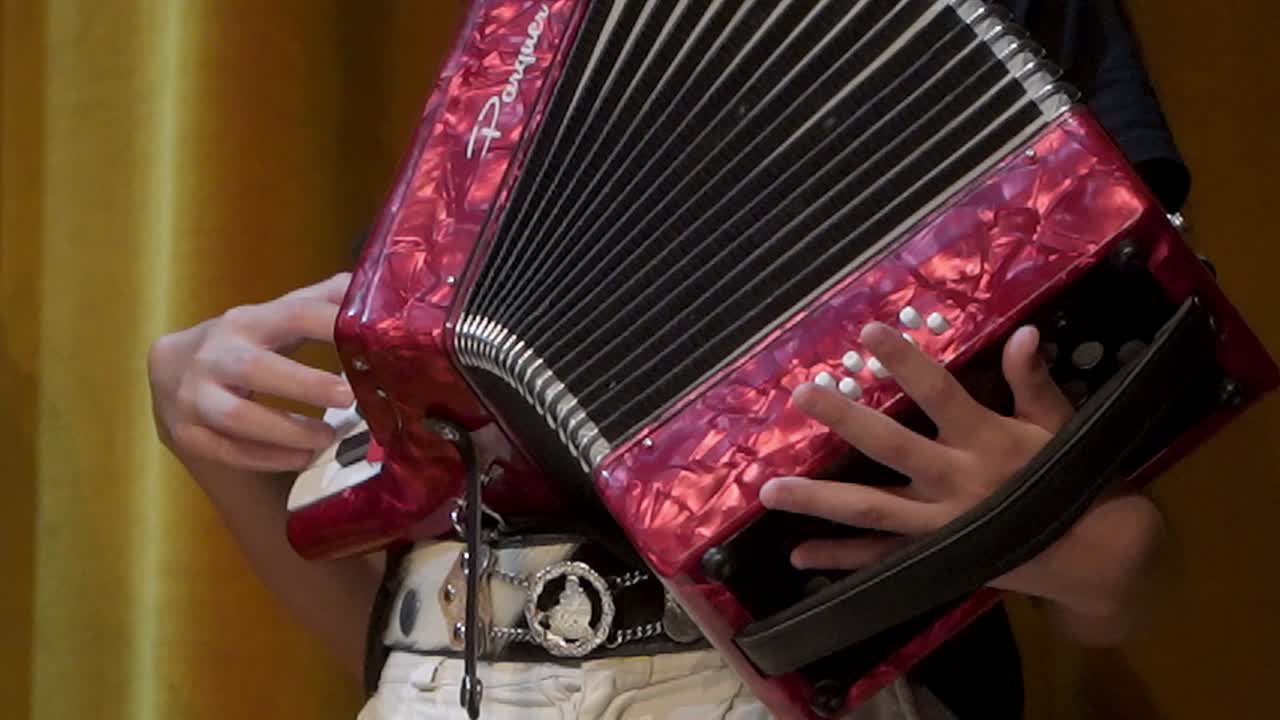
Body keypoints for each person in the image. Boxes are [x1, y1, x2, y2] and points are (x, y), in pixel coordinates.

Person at [146, 1, 1189, 717]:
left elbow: (1120, 547)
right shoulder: (516, 50)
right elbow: (415, 625)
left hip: (807, 672)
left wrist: (1074, 543)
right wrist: (201, 421)